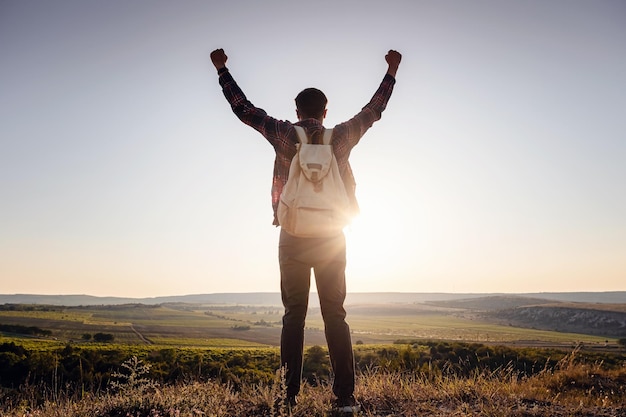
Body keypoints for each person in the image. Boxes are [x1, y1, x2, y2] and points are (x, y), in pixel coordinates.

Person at [210, 48, 401, 413]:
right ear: (325, 112)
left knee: (293, 317)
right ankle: (345, 398)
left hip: (293, 236)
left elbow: (244, 110)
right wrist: (391, 72)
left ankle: (287, 397)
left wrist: (222, 70)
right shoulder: (340, 137)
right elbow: (373, 112)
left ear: (297, 112)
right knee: (335, 314)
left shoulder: (284, 134)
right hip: (332, 238)